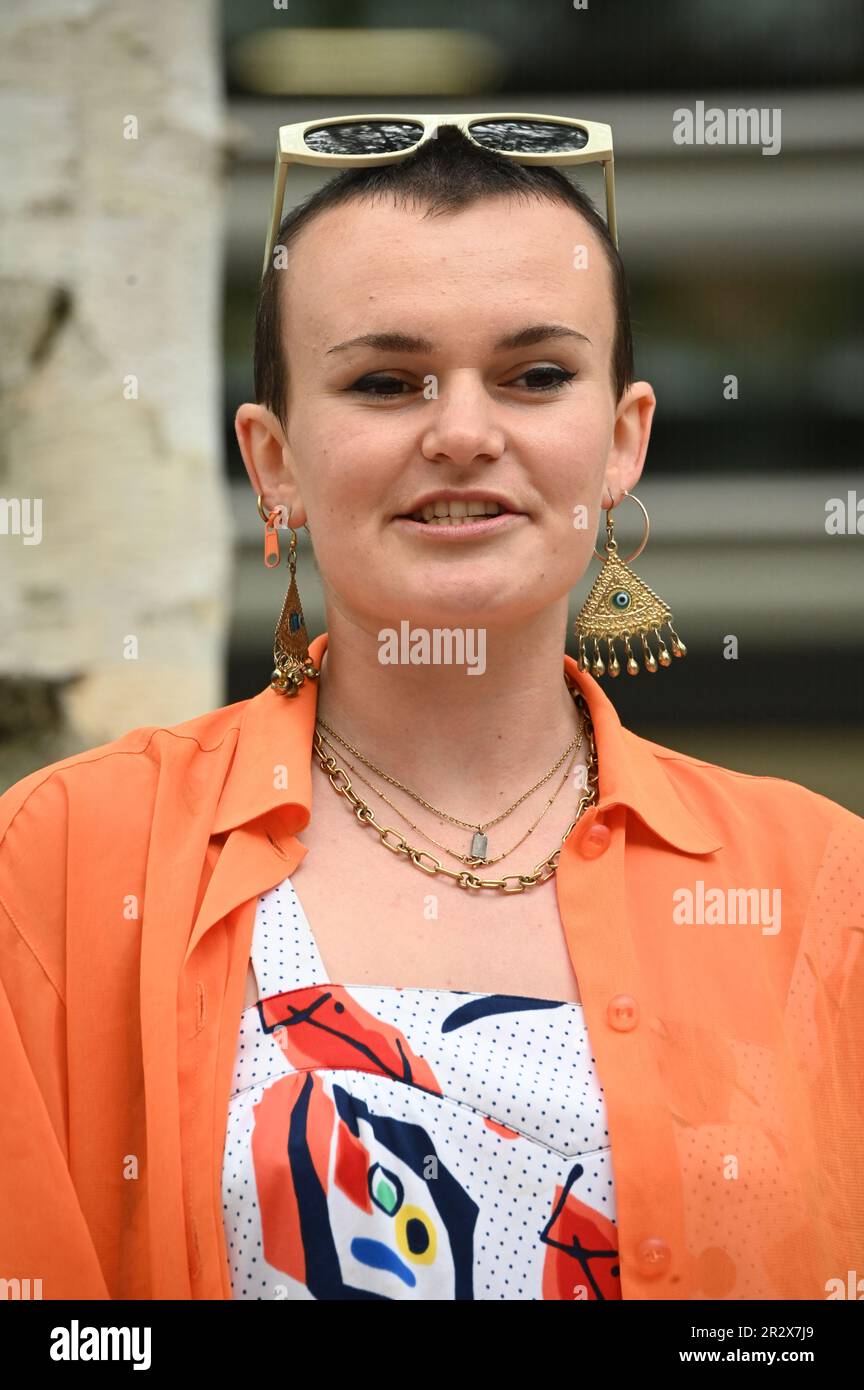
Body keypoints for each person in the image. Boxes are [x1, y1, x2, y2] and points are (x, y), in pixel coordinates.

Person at [1, 120, 862, 1303]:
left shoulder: (821, 885)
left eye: (535, 375)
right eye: (384, 381)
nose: (463, 432)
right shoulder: (60, 859)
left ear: (622, 442)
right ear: (273, 464)